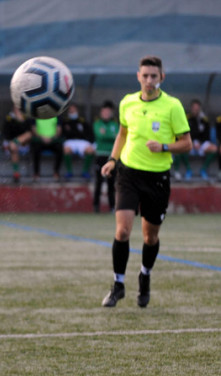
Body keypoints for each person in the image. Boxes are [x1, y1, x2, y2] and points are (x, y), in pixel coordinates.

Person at [100, 55, 191, 308]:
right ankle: (118, 285)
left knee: (150, 238)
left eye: (154, 76)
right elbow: (122, 134)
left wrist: (163, 146)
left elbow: (187, 143)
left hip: (157, 179)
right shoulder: (127, 102)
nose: (149, 80)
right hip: (128, 174)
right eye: (145, 75)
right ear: (138, 76)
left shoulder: (172, 106)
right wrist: (112, 160)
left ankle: (145, 275)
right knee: (123, 231)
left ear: (162, 77)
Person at [92, 100, 118, 212]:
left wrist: (106, 134)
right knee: (98, 181)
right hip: (100, 156)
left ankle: (112, 207)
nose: (106, 114)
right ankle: (96, 206)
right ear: (101, 112)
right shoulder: (97, 123)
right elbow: (100, 136)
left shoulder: (115, 124)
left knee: (111, 183)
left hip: (111, 157)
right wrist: (110, 135)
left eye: (108, 112)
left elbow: (117, 137)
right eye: (104, 112)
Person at [59, 102, 96, 180]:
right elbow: (64, 134)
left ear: (77, 111)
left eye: (74, 110)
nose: (72, 112)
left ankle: (85, 171)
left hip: (82, 142)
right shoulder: (65, 122)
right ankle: (69, 172)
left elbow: (88, 133)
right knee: (66, 149)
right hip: (70, 142)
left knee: (90, 150)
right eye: (71, 111)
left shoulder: (82, 121)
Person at [183, 99, 217, 180]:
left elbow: (207, 136)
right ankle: (188, 169)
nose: (196, 110)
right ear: (191, 108)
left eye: (197, 108)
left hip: (202, 144)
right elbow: (184, 133)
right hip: (190, 143)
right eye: (194, 108)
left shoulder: (204, 120)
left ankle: (203, 169)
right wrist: (193, 142)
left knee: (215, 149)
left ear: (200, 108)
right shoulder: (187, 118)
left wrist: (200, 143)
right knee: (179, 148)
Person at [1, 105, 33, 183]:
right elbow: (8, 133)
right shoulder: (9, 118)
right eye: (16, 108)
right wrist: (17, 121)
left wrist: (22, 121)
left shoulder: (25, 118)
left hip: (22, 144)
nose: (18, 110)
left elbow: (29, 132)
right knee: (14, 147)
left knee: (28, 134)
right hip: (10, 144)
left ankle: (35, 174)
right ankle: (16, 172)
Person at [29, 116, 63, 181]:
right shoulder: (35, 115)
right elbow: (33, 128)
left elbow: (59, 129)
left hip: (53, 140)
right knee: (35, 149)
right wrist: (42, 137)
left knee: (60, 149)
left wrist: (52, 138)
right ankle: (36, 172)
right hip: (40, 140)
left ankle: (56, 172)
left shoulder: (57, 116)